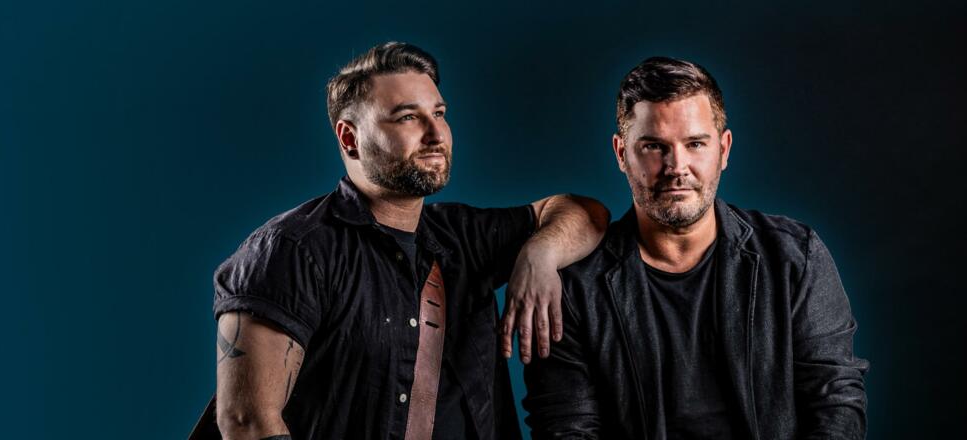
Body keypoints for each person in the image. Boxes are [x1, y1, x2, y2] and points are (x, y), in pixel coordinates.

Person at [211, 42, 608, 440]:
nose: (435, 134)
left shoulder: (462, 237)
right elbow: (247, 422)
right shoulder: (293, 251)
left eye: (439, 114)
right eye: (407, 118)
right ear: (349, 138)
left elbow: (586, 213)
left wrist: (541, 252)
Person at [522, 56, 869, 439]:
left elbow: (834, 403)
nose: (677, 166)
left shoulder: (793, 257)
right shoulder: (575, 289)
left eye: (695, 144)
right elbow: (566, 427)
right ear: (622, 153)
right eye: (654, 146)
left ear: (724, 149)